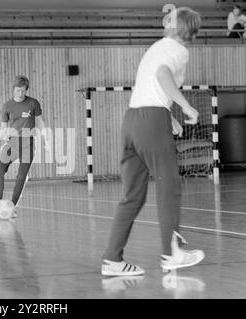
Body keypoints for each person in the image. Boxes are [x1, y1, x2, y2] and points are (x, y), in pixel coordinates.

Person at [101, 7, 205, 277]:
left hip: (131, 120)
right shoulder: (178, 50)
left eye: (169, 19)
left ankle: (112, 260)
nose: (164, 21)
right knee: (168, 186)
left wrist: (168, 115)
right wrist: (186, 107)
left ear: (178, 26)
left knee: (132, 197)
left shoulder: (158, 45)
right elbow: (161, 75)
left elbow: (151, 85)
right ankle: (172, 253)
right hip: (151, 121)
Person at [0, 75, 49, 218]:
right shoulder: (7, 106)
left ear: (26, 90)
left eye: (23, 91)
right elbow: (3, 128)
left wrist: (45, 138)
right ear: (13, 89)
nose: (20, 94)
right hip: (12, 143)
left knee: (21, 176)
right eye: (18, 90)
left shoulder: (33, 103)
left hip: (27, 144)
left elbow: (40, 122)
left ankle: (12, 206)